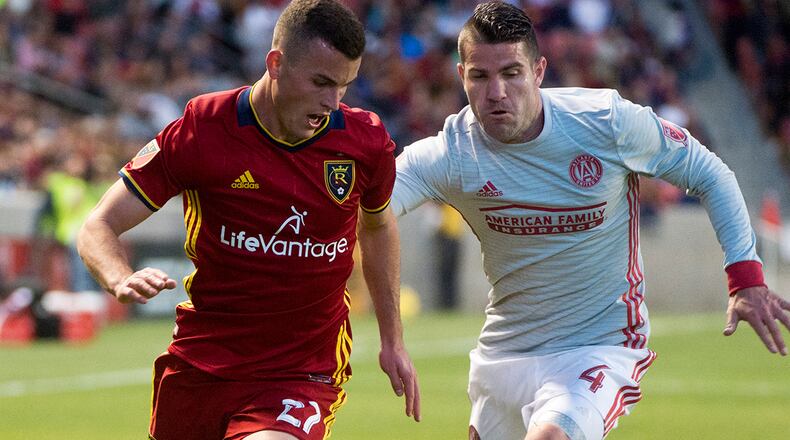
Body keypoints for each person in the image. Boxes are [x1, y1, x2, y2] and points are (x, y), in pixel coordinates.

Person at [391, 3, 790, 440]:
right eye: (480, 77)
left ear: (539, 71)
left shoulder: (605, 123)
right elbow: (370, 211)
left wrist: (746, 277)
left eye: (511, 72)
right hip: (505, 351)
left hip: (597, 345)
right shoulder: (452, 153)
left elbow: (710, 173)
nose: (497, 92)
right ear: (461, 74)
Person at [77, 1, 419, 439]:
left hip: (300, 374)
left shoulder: (363, 141)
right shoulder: (204, 127)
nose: (332, 103)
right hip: (201, 364)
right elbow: (98, 225)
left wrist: (393, 339)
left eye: (344, 87)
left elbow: (378, 224)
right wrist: (118, 277)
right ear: (275, 63)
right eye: (320, 82)